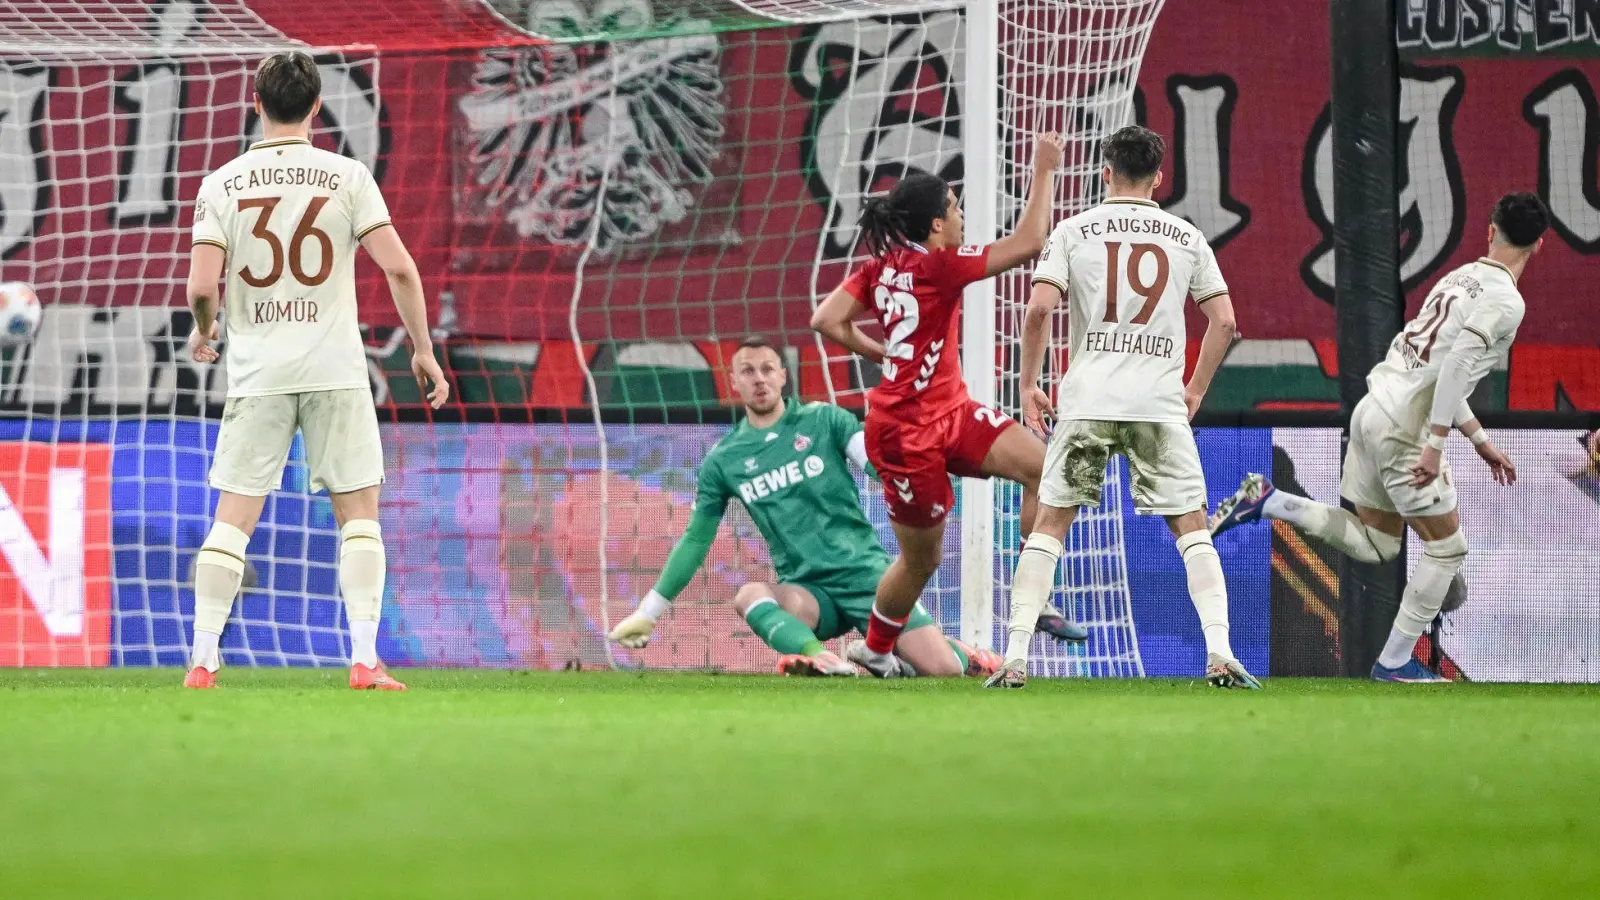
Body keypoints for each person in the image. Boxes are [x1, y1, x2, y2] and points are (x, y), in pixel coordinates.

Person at [183, 51, 449, 689]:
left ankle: (201, 661)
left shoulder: (222, 183)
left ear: (256, 103)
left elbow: (200, 283)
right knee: (359, 515)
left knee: (232, 519)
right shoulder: (348, 177)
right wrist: (421, 349)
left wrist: (204, 329)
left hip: (258, 374)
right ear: (316, 107)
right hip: (335, 368)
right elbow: (402, 269)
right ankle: (362, 659)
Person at [1211, 192, 1548, 682]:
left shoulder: (1459, 278)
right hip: (1405, 433)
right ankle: (1393, 664)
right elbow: (1453, 369)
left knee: (1378, 546)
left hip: (1372, 410)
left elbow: (1439, 372)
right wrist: (1434, 446)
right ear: (1538, 246)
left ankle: (1268, 499)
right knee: (1448, 550)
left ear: (1490, 230)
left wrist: (1478, 440)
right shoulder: (1506, 300)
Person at [606, 336, 1084, 676]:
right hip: (808, 592)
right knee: (750, 595)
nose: (759, 379)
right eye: (747, 371)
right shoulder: (723, 461)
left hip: (868, 577)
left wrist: (923, 478)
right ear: (732, 382)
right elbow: (696, 539)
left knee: (942, 669)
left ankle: (961, 652)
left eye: (767, 369)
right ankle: (821, 658)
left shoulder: (823, 421)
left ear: (783, 375)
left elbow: (877, 464)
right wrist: (649, 612)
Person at [985, 125, 1257, 689]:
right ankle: (1220, 652)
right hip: (1158, 404)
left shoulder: (1074, 230)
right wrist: (1196, 389)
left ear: (1105, 172)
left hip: (1087, 402)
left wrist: (1029, 384)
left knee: (1051, 526)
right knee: (1191, 528)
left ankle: (1014, 658)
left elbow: (1037, 311)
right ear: (1159, 178)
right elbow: (1225, 322)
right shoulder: (1184, 236)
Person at [810, 134, 1072, 678]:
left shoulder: (878, 267)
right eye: (954, 208)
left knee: (1044, 469)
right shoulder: (941, 265)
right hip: (904, 434)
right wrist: (1044, 169)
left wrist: (877, 349)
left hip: (950, 411)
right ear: (935, 225)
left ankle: (1033, 594)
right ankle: (877, 651)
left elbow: (826, 320)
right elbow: (1028, 242)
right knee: (922, 560)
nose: (960, 217)